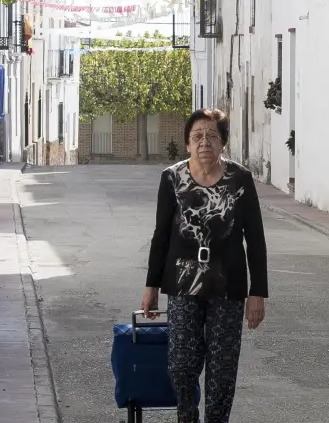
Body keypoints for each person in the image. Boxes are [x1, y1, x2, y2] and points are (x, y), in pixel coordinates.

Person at [141, 108, 268, 423]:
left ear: (223, 142)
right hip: (183, 283)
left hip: (229, 285)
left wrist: (258, 292)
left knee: (222, 368)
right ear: (187, 143)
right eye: (197, 136)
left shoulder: (240, 179)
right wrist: (151, 286)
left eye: (212, 136)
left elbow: (255, 238)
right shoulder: (172, 178)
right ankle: (187, 416)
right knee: (180, 364)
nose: (204, 142)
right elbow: (161, 235)